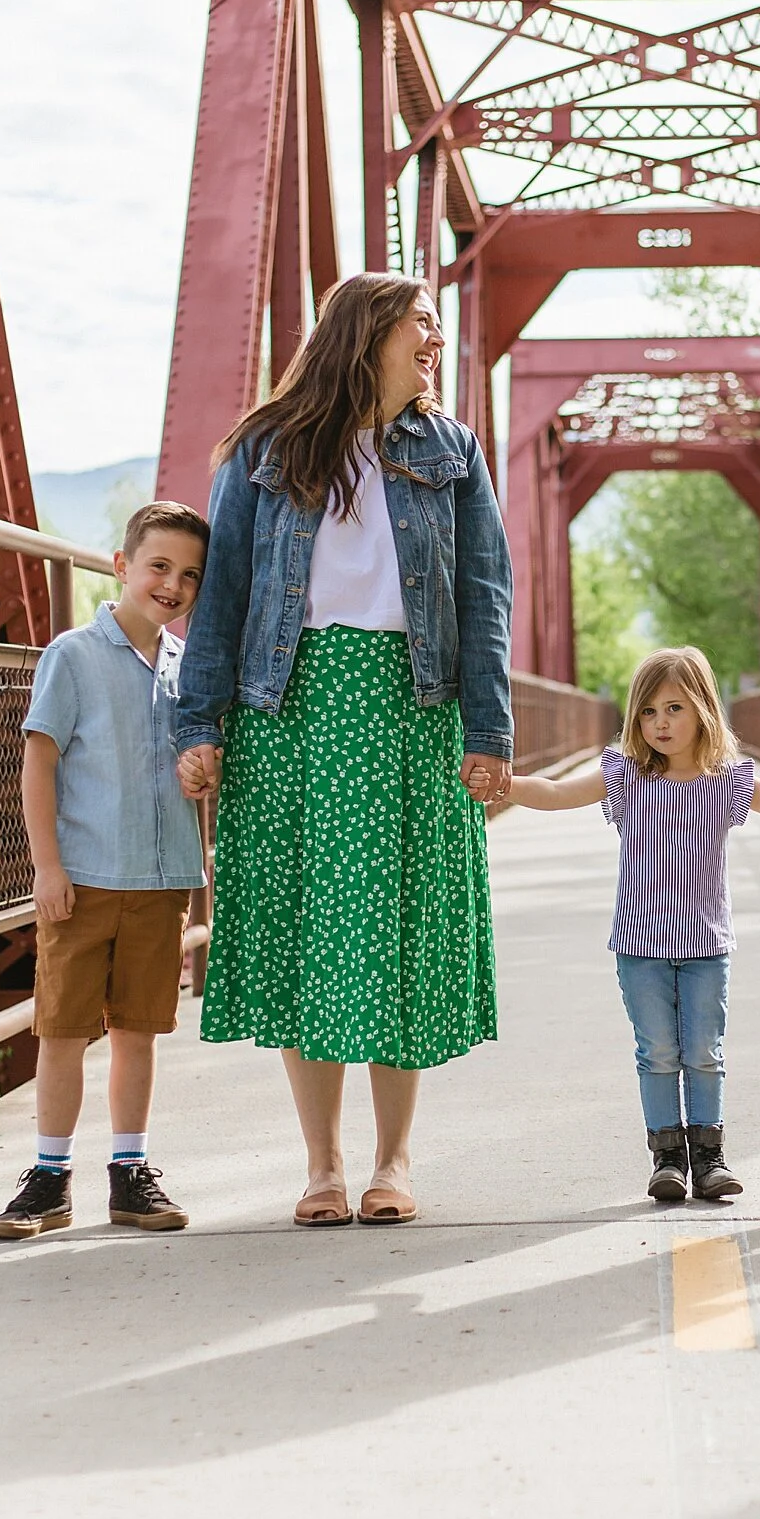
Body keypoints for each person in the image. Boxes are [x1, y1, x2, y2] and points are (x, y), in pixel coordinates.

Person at [172, 273, 513, 1230]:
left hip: (412, 708)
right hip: (290, 710)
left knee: (398, 929)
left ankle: (393, 1160)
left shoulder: (452, 452)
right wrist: (198, 724)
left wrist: (489, 734)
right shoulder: (264, 450)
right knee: (304, 930)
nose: (434, 343)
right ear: (368, 335)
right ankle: (320, 1165)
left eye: (440, 328)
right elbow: (225, 595)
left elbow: (486, 596)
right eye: (422, 326)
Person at [507, 647, 760, 1202]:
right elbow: (560, 794)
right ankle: (667, 1157)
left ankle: (709, 1157)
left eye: (675, 709)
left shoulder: (727, 780)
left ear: (705, 710)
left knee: (704, 1051)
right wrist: (504, 783)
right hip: (639, 946)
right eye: (649, 711)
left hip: (707, 945)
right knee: (657, 1051)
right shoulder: (626, 777)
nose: (661, 723)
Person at [0, 502, 211, 1240]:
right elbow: (39, 760)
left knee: (139, 1031)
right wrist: (45, 866)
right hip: (83, 877)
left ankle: (131, 1171)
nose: (172, 584)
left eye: (188, 576)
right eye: (158, 566)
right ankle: (48, 1177)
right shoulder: (73, 655)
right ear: (121, 566)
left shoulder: (189, 670)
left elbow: (201, 760)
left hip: (160, 880)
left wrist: (203, 772)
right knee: (62, 1029)